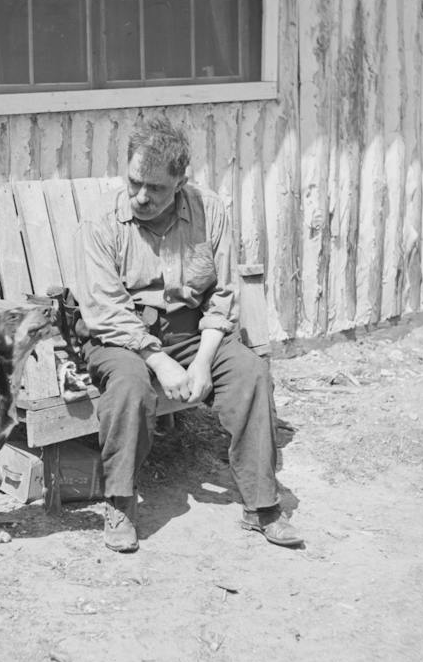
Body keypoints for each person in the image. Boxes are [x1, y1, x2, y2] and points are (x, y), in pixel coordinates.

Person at [73, 117, 303, 554]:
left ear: (180, 182)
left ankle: (262, 506)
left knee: (251, 372)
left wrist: (201, 362)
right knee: (129, 385)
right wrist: (158, 360)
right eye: (135, 182)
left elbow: (223, 297)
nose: (141, 196)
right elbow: (105, 309)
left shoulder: (209, 211)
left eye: (156, 188)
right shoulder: (101, 222)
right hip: (122, 339)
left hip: (193, 334)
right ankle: (119, 501)